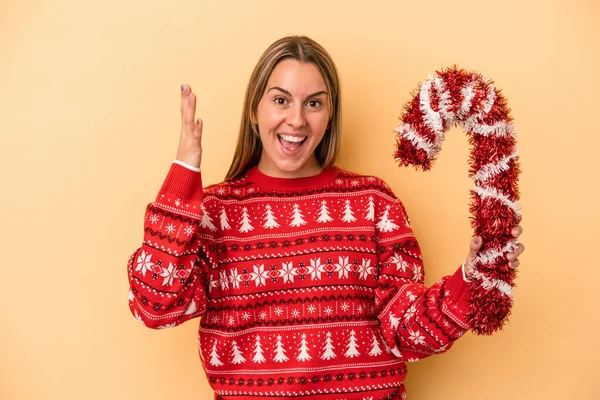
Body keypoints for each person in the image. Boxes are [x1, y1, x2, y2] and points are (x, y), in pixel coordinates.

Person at [127, 35, 524, 400]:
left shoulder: (373, 203)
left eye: (313, 102)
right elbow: (154, 306)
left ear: (330, 114)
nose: (297, 120)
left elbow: (407, 333)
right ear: (254, 110)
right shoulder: (216, 213)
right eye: (281, 100)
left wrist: (471, 278)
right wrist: (184, 172)